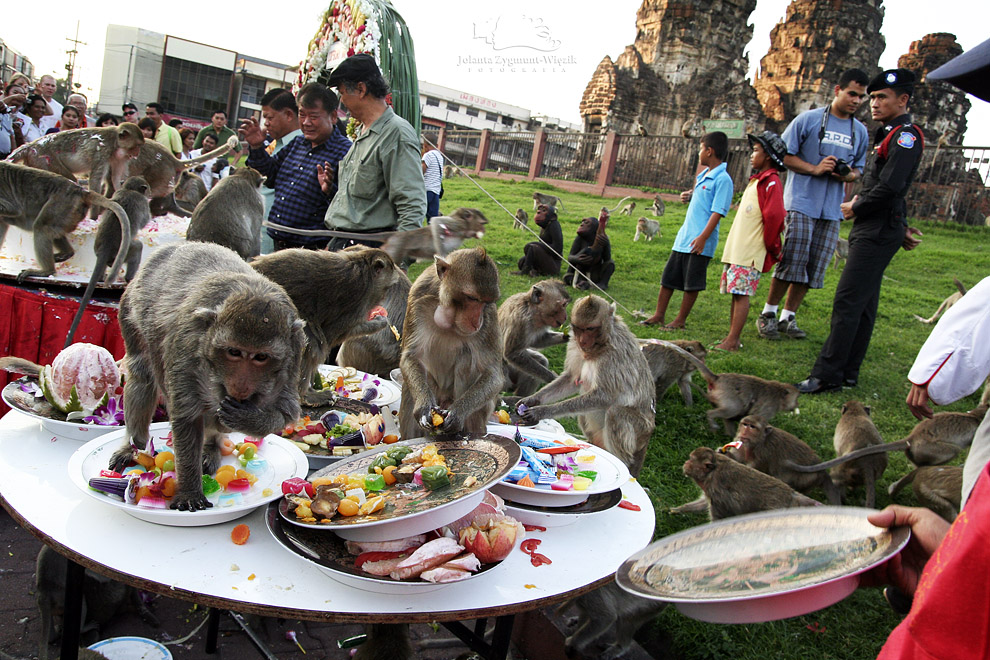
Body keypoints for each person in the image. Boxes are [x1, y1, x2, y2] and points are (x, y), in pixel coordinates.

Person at [797, 69, 925, 394]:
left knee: (848, 301)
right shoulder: (889, 133)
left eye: (882, 97)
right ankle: (848, 372)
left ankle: (827, 375)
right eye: (873, 98)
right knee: (864, 304)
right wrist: (901, 224)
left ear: (903, 99)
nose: (874, 104)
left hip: (877, 229)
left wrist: (856, 206)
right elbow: (893, 189)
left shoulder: (905, 136)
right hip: (881, 226)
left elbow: (892, 186)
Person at [755, 69, 870, 341]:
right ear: (837, 90)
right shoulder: (809, 120)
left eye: (861, 97)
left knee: (814, 266)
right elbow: (783, 156)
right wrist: (814, 168)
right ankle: (768, 313)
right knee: (792, 259)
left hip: (831, 208)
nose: (856, 100)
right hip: (801, 202)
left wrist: (847, 174)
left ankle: (788, 317)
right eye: (851, 93)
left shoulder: (860, 131)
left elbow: (859, 171)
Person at [323, 53, 427, 250]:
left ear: (361, 89)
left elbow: (412, 205)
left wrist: (398, 261)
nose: (342, 101)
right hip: (343, 244)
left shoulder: (395, 134)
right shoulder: (364, 132)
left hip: (367, 252)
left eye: (343, 93)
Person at [242, 82, 351, 251]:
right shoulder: (298, 142)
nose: (306, 122)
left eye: (314, 117)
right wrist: (257, 147)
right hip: (278, 244)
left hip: (312, 250)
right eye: (302, 115)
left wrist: (330, 190)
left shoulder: (346, 151)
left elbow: (350, 205)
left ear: (333, 116)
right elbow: (269, 177)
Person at [641, 132, 733, 329]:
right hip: (684, 238)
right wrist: (691, 195)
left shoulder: (723, 179)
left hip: (700, 241)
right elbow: (703, 199)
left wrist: (702, 238)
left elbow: (718, 212)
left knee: (692, 283)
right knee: (668, 278)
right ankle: (659, 315)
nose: (699, 153)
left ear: (710, 151)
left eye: (701, 148)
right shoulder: (703, 176)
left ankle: (680, 320)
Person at [713, 131, 787, 352]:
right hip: (739, 249)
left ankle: (734, 339)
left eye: (756, 151)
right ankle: (731, 336)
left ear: (769, 156)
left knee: (742, 293)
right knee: (736, 293)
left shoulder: (771, 182)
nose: (751, 156)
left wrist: (772, 246)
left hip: (750, 250)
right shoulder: (757, 181)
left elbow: (774, 216)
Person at [257, 88, 303, 255]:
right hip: (262, 229)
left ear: (289, 115)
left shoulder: (300, 146)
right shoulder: (276, 145)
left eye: (270, 117)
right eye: (265, 118)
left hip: (277, 236)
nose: (266, 123)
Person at [563, 214, 615, 290]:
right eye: (582, 222)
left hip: (594, 272)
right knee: (567, 278)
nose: (582, 224)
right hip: (579, 271)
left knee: (610, 263)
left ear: (594, 229)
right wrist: (577, 259)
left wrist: (606, 244)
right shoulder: (579, 239)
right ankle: (581, 282)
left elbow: (607, 259)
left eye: (586, 223)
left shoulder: (602, 239)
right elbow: (570, 257)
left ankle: (603, 284)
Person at [514, 203, 563, 276]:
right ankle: (535, 271)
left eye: (543, 210)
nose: (538, 212)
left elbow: (557, 249)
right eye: (539, 209)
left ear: (552, 217)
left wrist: (537, 245)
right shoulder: (544, 226)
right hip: (547, 259)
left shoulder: (554, 225)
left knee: (532, 247)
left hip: (553, 265)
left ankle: (525, 272)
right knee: (521, 262)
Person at [421, 137, 444, 219]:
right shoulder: (440, 156)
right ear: (436, 145)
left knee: (418, 215)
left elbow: (422, 171)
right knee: (432, 220)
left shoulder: (428, 155)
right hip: (436, 192)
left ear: (425, 146)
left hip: (427, 190)